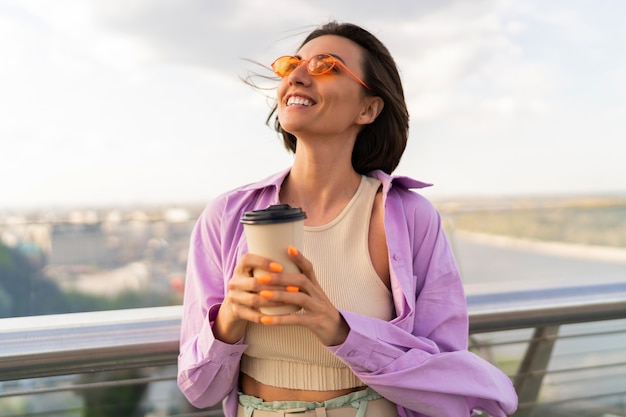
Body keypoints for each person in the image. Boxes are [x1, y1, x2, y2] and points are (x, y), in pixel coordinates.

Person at [177, 21, 518, 417]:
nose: (299, 76)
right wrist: (229, 319)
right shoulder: (228, 216)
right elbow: (199, 390)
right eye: (292, 66)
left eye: (326, 67)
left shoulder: (412, 219)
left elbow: (444, 376)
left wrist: (340, 330)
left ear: (368, 108)